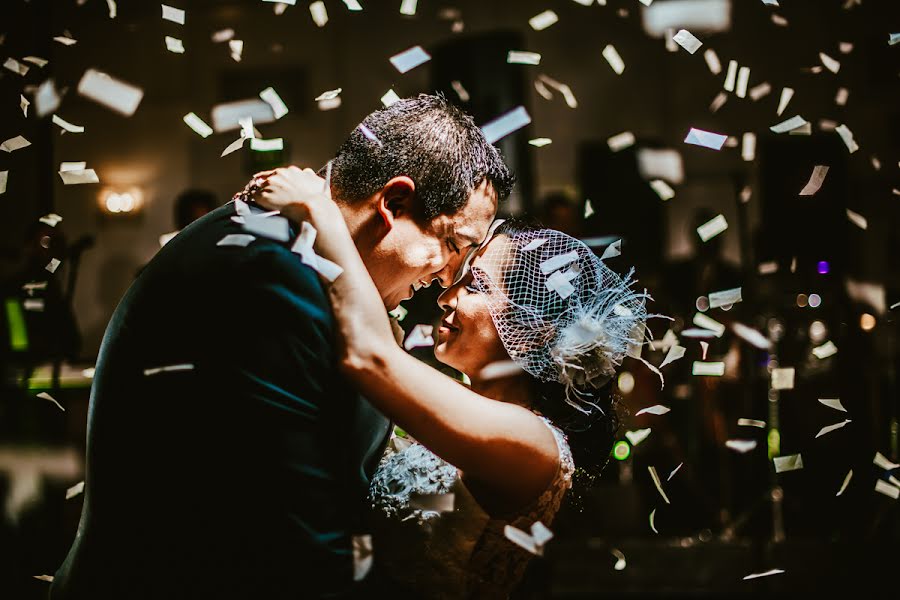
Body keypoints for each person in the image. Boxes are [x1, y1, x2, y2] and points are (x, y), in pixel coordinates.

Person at [50, 94, 512, 600]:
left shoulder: (292, 252)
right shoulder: (278, 278)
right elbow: (291, 533)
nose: (449, 274)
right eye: (454, 244)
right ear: (394, 204)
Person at [248, 167, 653, 598]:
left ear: (534, 329)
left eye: (476, 285)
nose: (446, 295)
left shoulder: (534, 444)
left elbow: (369, 355)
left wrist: (323, 213)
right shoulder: (458, 400)